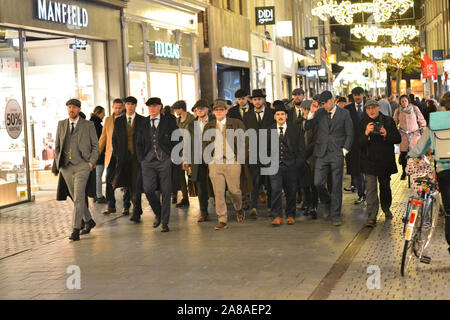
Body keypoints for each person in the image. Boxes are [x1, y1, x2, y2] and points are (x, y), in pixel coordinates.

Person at [409, 91, 450, 254]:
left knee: (448, 210)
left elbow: (421, 147)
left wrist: (411, 155)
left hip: (443, 170)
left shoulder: (435, 121)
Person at [305, 91, 354, 226]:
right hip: (321, 152)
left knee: (337, 184)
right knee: (317, 182)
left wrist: (344, 150)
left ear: (332, 99)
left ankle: (336, 215)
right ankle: (327, 201)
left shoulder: (344, 114)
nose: (325, 106)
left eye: (326, 102)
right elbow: (307, 126)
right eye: (322, 104)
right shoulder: (320, 113)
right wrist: (312, 112)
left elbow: (350, 133)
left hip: (337, 152)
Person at [52, 99, 99, 241]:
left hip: (82, 165)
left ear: (79, 109)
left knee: (79, 196)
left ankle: (75, 229)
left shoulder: (88, 125)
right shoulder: (61, 124)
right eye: (69, 107)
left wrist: (91, 163)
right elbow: (57, 146)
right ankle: (89, 220)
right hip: (66, 167)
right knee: (76, 198)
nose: (71, 109)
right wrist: (57, 164)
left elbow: (95, 146)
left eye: (74, 107)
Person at [202, 99, 251, 230]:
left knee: (234, 190)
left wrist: (240, 159)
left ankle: (239, 208)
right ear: (213, 112)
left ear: (226, 110)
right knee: (218, 192)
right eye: (217, 110)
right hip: (215, 162)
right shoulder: (209, 126)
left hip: (232, 161)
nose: (219, 112)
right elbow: (204, 144)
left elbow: (245, 141)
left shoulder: (236, 123)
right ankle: (222, 219)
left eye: (221, 109)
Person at [136, 97, 179, 232]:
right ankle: (158, 213)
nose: (152, 109)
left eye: (155, 106)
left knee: (166, 191)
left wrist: (173, 156)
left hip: (165, 160)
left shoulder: (169, 121)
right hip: (148, 162)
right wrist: (141, 159)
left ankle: (165, 222)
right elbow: (138, 142)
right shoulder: (143, 122)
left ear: (160, 107)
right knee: (148, 189)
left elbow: (178, 138)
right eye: (150, 106)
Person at [359, 100, 401, 227]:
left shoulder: (388, 121)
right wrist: (366, 133)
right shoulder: (362, 123)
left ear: (378, 108)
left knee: (385, 186)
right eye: (368, 108)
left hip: (384, 161)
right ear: (366, 110)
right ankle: (371, 216)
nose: (371, 111)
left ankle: (386, 207)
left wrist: (386, 134)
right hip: (369, 161)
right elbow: (358, 144)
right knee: (370, 189)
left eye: (373, 108)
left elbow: (397, 138)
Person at [268, 101, 305, 226]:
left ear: (286, 116)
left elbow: (301, 148)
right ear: (274, 116)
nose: (280, 116)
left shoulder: (295, 129)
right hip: (274, 166)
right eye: (278, 114)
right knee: (276, 190)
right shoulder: (268, 130)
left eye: (282, 114)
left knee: (291, 191)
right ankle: (277, 216)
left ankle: (290, 214)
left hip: (291, 165)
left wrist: (297, 164)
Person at [112, 96, 147, 221]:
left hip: (137, 158)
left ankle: (136, 211)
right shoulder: (119, 121)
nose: (130, 106)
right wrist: (118, 154)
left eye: (132, 104)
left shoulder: (143, 120)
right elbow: (114, 140)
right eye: (128, 104)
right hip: (123, 158)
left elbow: (146, 139)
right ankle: (136, 207)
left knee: (136, 184)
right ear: (124, 105)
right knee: (128, 185)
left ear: (135, 106)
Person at [243, 89, 275, 219]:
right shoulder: (247, 115)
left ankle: (270, 207)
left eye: (259, 99)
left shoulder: (272, 113)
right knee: (254, 182)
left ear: (263, 100)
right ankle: (254, 207)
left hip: (268, 152)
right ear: (252, 101)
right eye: (255, 99)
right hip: (254, 153)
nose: (257, 101)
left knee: (269, 182)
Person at [183, 99, 215, 222]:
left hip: (214, 158)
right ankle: (203, 211)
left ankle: (221, 210)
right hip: (198, 159)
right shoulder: (191, 125)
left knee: (217, 185)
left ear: (207, 109)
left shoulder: (214, 121)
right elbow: (187, 143)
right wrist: (186, 160)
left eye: (202, 108)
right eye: (197, 109)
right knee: (201, 187)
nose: (199, 110)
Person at [99, 99, 128, 215]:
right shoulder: (108, 120)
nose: (118, 109)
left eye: (120, 107)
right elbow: (103, 137)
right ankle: (111, 205)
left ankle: (126, 206)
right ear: (112, 107)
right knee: (109, 181)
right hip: (111, 155)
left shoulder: (127, 119)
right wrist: (96, 153)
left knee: (126, 181)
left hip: (124, 155)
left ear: (123, 108)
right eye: (116, 107)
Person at [393, 95, 427, 180]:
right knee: (404, 154)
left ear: (408, 101)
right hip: (403, 135)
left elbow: (421, 119)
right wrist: (393, 130)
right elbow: (394, 122)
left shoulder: (414, 109)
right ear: (400, 102)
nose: (404, 103)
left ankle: (417, 171)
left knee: (416, 154)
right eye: (402, 101)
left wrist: (423, 128)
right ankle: (404, 172)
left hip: (414, 135)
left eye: (405, 101)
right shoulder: (398, 111)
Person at [344, 87, 366, 204]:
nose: (357, 97)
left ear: (363, 95)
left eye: (359, 94)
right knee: (356, 172)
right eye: (355, 94)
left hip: (367, 144)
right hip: (353, 146)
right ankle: (361, 194)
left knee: (367, 172)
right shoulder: (347, 109)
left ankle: (367, 192)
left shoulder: (369, 107)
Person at [172, 100, 195, 208]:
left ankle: (198, 195)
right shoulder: (177, 120)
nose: (175, 111)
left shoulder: (192, 119)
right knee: (180, 175)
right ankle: (185, 197)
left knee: (192, 174)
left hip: (190, 149)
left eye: (176, 109)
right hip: (179, 150)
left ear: (181, 109)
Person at [90, 106, 106, 203]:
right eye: (103, 113)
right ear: (98, 113)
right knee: (98, 176)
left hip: (90, 155)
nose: (104, 115)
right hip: (98, 155)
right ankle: (99, 196)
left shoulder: (89, 124)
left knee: (94, 176)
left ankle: (95, 194)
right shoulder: (98, 127)